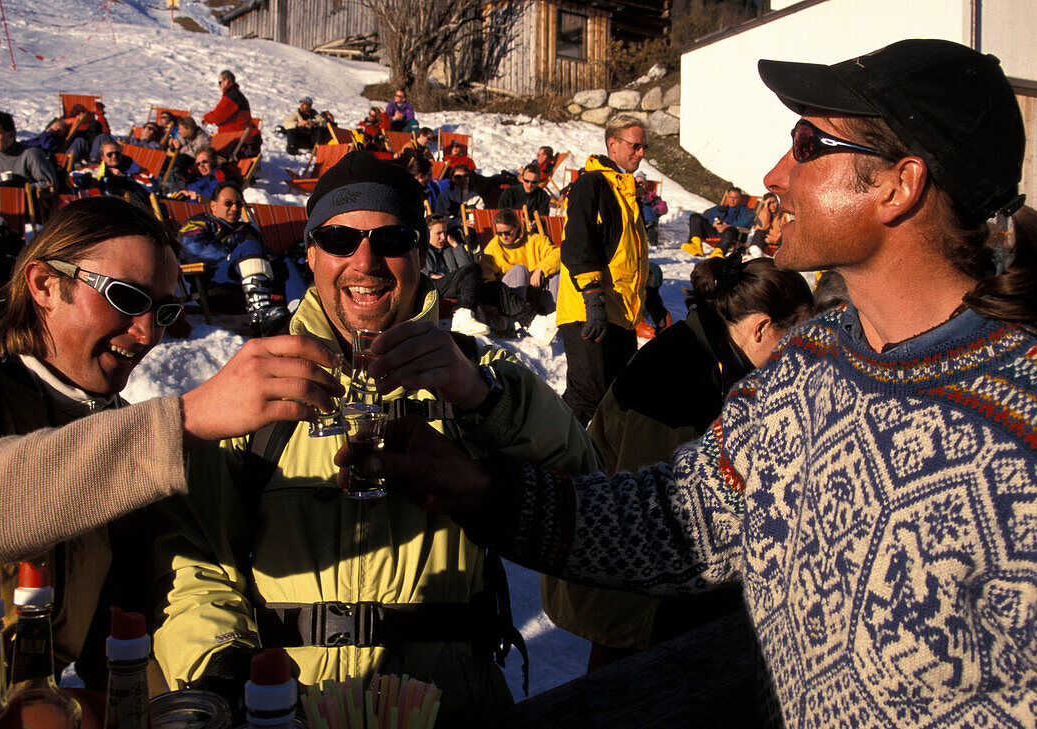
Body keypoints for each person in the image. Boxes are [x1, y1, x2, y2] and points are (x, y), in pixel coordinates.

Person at [360, 39, 1037, 726]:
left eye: (808, 144)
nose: (775, 174)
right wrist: (478, 488)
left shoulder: (1017, 430)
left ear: (900, 184)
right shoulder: (809, 364)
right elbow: (681, 519)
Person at [153, 150, 601, 724]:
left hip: (447, 703)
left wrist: (486, 400)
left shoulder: (479, 378)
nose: (365, 262)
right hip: (290, 705)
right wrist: (221, 666)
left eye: (391, 239)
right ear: (311, 252)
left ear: (421, 252)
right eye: (340, 240)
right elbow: (195, 558)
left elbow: (588, 494)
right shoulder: (258, 383)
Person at [0, 195, 346, 722]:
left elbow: (126, 630)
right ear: (43, 284)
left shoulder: (119, 432)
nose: (147, 333)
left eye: (164, 310)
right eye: (126, 297)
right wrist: (187, 419)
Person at [544, 253, 813, 672]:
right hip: (636, 596)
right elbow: (661, 519)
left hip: (654, 591)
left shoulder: (715, 355)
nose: (800, 357)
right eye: (795, 339)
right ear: (761, 327)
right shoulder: (679, 379)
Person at [555, 114, 650, 426]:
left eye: (644, 147)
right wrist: (593, 296)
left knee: (616, 396)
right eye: (636, 146)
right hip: (588, 307)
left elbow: (630, 257)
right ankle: (546, 461)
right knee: (587, 395)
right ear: (613, 144)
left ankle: (598, 465)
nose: (641, 153)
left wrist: (653, 303)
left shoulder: (626, 193)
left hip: (619, 311)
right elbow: (576, 243)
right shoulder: (592, 183)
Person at [178, 181, 294, 336]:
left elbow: (266, 256)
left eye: (238, 205)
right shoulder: (199, 222)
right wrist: (236, 255)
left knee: (285, 263)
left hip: (244, 283)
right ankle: (260, 314)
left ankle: (294, 312)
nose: (234, 208)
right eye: (228, 203)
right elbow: (194, 250)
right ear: (213, 205)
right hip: (212, 278)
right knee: (250, 247)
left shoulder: (246, 229)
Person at [422, 214, 537, 335]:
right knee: (473, 270)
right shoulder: (423, 250)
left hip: (457, 286)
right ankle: (462, 317)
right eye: (438, 233)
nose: (443, 237)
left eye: (445, 232)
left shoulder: (449, 250)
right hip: (434, 287)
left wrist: (457, 246)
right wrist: (437, 276)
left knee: (497, 287)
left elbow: (467, 269)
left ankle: (531, 319)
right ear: (427, 234)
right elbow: (422, 273)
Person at [480, 208, 559, 311]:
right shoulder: (492, 249)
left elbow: (558, 253)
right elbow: (486, 279)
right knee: (520, 270)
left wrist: (540, 269)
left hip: (534, 288)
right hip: (509, 294)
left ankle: (551, 315)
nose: (504, 237)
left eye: (507, 232)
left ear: (517, 226)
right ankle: (520, 316)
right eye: (499, 233)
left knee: (555, 271)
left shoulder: (534, 240)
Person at [0, 111, 59, 189]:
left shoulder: (30, 154)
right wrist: (0, 187)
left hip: (27, 203)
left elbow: (50, 184)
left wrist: (20, 188)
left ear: (12, 134)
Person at [69, 139, 160, 202]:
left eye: (117, 153)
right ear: (103, 158)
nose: (114, 157)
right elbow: (71, 177)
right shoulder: (96, 169)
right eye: (110, 154)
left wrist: (126, 178)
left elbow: (153, 186)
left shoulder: (134, 168)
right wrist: (84, 179)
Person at [681, 186, 755, 256]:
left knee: (730, 230)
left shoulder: (746, 211)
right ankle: (696, 246)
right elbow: (705, 215)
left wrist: (727, 226)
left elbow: (747, 222)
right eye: (730, 197)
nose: (732, 200)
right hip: (715, 231)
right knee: (695, 217)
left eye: (735, 198)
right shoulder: (719, 208)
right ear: (727, 197)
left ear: (740, 199)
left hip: (731, 234)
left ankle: (719, 251)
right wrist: (713, 223)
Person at [633, 171, 667, 247]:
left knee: (646, 208)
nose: (639, 185)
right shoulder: (631, 194)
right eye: (637, 183)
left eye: (641, 182)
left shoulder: (651, 196)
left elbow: (663, 206)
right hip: (635, 219)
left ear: (645, 184)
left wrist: (656, 209)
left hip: (648, 220)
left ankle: (653, 242)